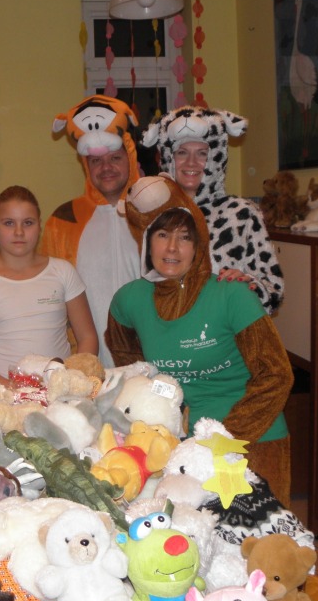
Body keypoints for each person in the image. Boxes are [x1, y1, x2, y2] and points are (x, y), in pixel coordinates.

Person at [106, 175, 292, 506]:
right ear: (147, 240)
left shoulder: (232, 295)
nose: (172, 248)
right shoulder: (128, 301)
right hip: (179, 447)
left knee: (260, 536)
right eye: (163, 235)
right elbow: (134, 374)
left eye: (184, 237)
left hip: (252, 436)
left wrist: (221, 441)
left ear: (199, 245)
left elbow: (277, 375)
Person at [140, 106, 285, 314]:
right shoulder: (154, 214)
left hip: (226, 331)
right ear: (168, 157)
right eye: (182, 152)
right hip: (169, 328)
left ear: (217, 157)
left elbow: (274, 291)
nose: (191, 162)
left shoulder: (241, 214)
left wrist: (249, 286)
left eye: (202, 153)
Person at [0, 185, 98, 384]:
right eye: (9, 223)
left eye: (28, 223)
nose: (19, 232)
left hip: (58, 392)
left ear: (39, 225)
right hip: (1, 395)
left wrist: (71, 382)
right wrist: (12, 391)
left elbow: (88, 337)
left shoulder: (63, 272)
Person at [40, 94, 142, 367]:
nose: (106, 167)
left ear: (130, 158)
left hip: (150, 361)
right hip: (85, 365)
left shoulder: (153, 214)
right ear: (86, 165)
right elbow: (49, 295)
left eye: (115, 158)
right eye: (96, 161)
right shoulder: (64, 221)